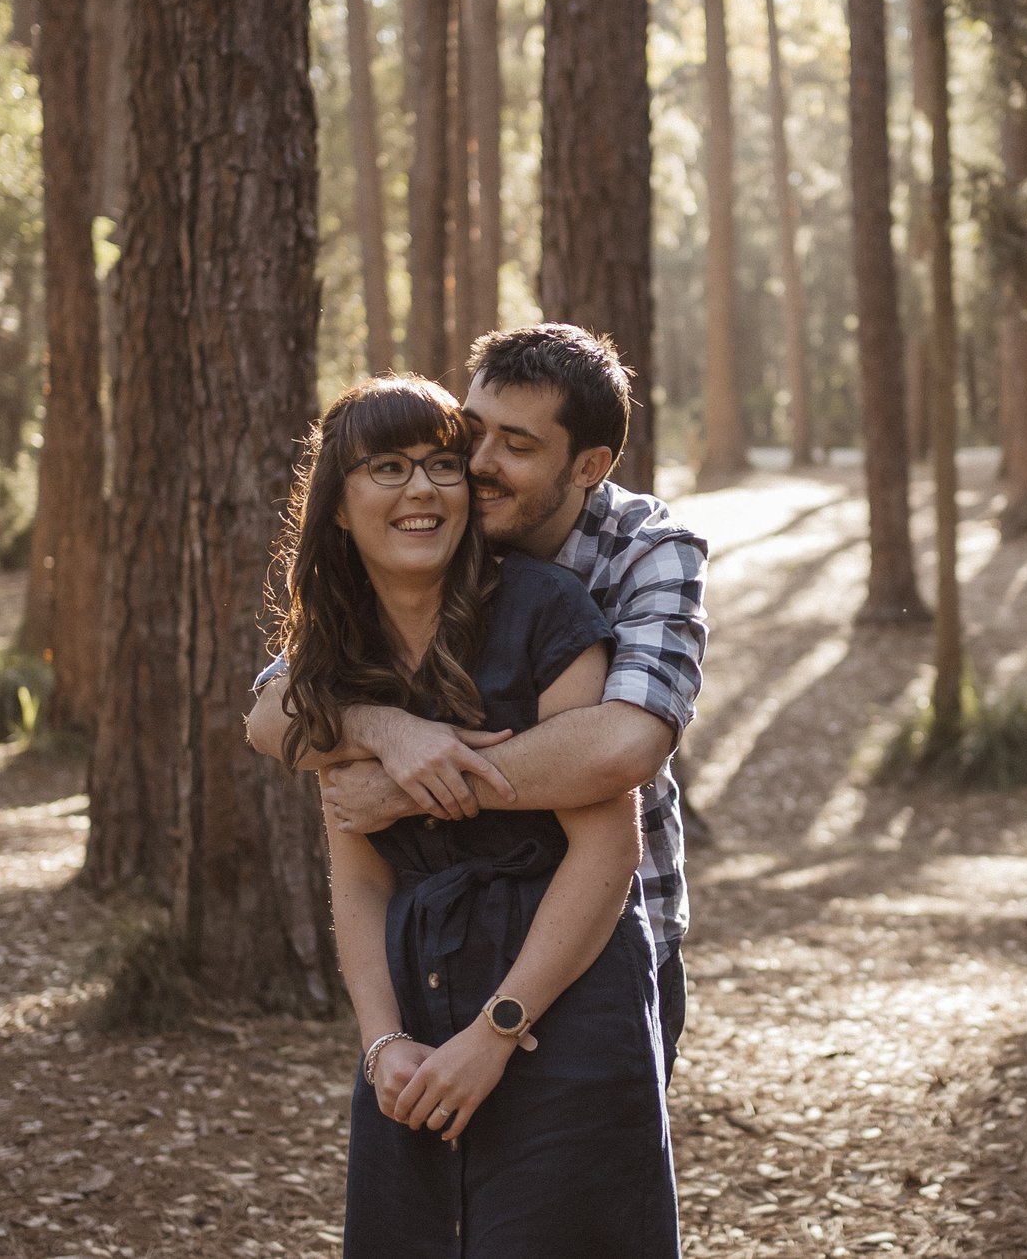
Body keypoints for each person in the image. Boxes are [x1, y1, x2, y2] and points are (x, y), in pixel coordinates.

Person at [270, 375, 678, 1257]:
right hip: (416, 990)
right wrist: (382, 1042)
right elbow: (360, 870)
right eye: (387, 467)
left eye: (440, 465)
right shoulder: (339, 652)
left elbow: (608, 841)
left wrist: (498, 1030)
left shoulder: (549, 608)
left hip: (562, 986)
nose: (423, 487)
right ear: (337, 506)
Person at [247, 323, 710, 1071]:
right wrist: (387, 728)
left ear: (589, 464)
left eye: (517, 446)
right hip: (443, 946)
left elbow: (622, 747)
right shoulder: (445, 524)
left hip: (610, 938)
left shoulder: (647, 549)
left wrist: (412, 788)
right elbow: (273, 711)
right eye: (475, 431)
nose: (479, 464)